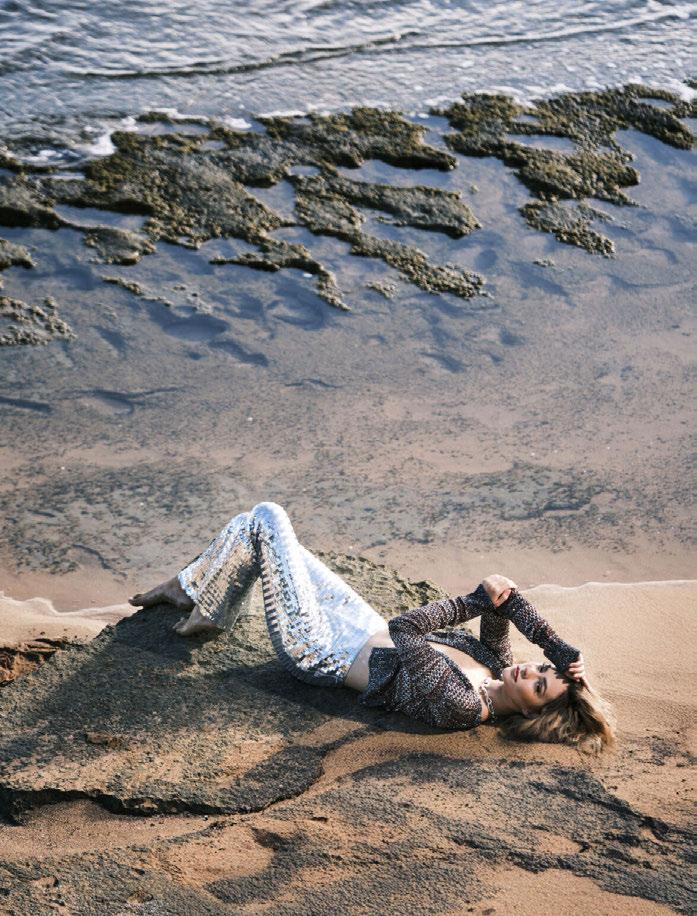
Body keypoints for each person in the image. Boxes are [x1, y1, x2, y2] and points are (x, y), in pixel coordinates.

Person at [130, 501, 615, 753]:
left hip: (320, 650)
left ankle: (207, 603)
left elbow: (406, 630)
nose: (529, 672)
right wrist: (557, 647)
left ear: (530, 712)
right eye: (540, 669)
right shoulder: (494, 664)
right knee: (254, 526)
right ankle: (190, 590)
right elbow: (504, 608)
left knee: (268, 518)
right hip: (359, 622)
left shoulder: (463, 705)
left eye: (538, 686)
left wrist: (473, 598)